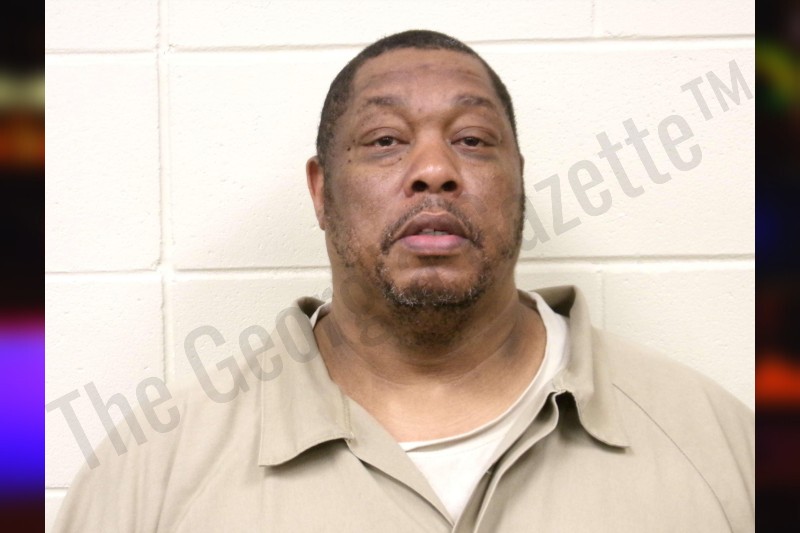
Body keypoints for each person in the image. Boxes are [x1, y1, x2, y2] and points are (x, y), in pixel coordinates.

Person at [53, 30, 754, 532]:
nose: (435, 170)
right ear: (321, 192)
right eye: (385, 140)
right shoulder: (149, 477)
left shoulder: (722, 448)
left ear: (518, 182)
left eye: (472, 140)